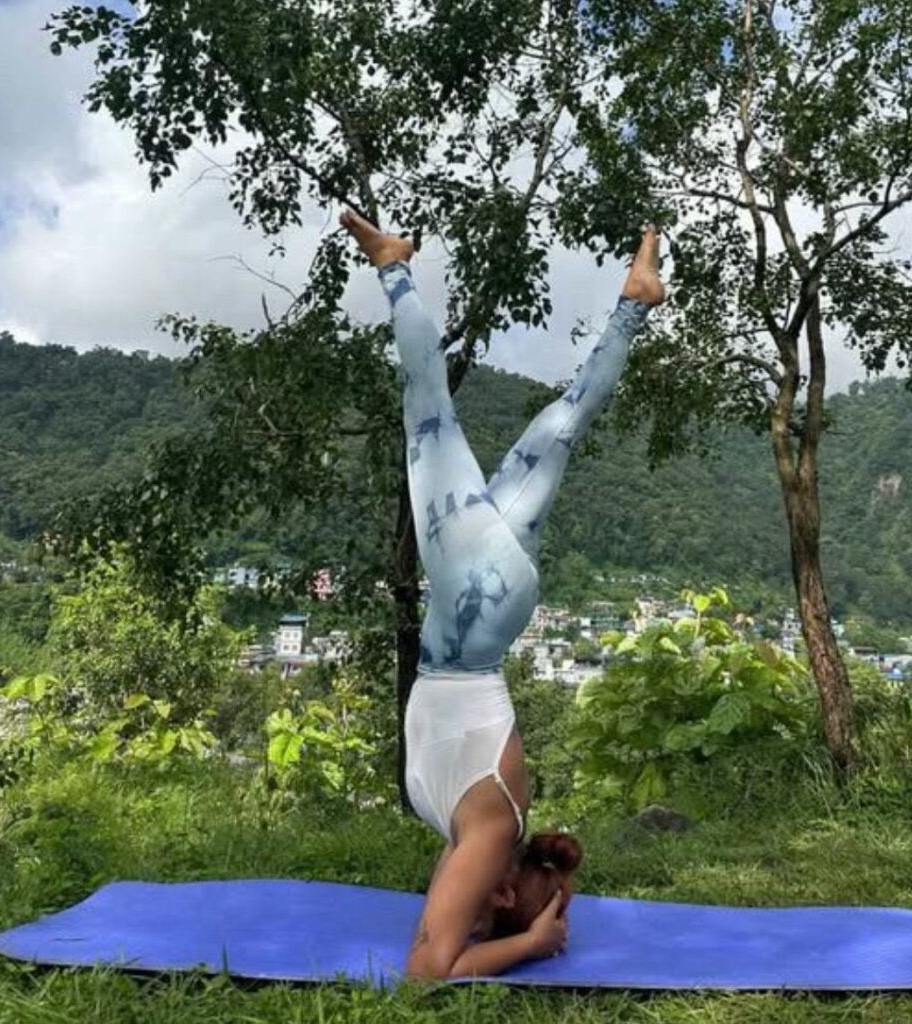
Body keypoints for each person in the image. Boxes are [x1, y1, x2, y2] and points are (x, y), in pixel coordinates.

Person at [339, 208, 666, 979]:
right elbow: (427, 970)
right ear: (507, 887)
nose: (470, 913)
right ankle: (393, 267)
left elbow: (440, 929)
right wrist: (530, 944)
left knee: (561, 424)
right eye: (494, 912)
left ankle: (634, 302)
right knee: (428, 415)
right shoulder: (489, 834)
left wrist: (502, 928)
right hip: (474, 608)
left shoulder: (473, 838)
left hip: (483, 604)